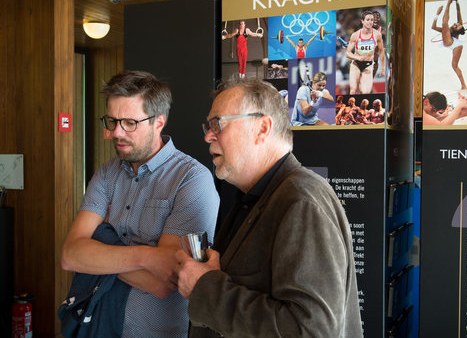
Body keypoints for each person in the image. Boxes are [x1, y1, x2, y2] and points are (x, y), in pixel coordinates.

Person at [175, 77, 363, 337]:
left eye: (217, 123)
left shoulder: (301, 201)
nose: (208, 136)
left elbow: (309, 331)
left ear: (262, 128)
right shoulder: (256, 197)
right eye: (208, 126)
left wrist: (205, 287)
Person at [61, 70, 219, 337]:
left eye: (130, 123)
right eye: (112, 121)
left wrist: (100, 248)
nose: (116, 133)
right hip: (96, 325)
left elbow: (162, 280)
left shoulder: (191, 179)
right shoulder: (107, 172)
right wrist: (147, 255)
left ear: (159, 122)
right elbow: (71, 255)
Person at [431, 0, 467, 90]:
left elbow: (445, 20)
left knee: (454, 65)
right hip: (450, 40)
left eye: (456, 26)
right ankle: (463, 85)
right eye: (456, 24)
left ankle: (463, 85)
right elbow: (433, 27)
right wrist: (457, 3)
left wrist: (448, 3)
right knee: (454, 66)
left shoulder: (447, 30)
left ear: (456, 31)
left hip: (455, 44)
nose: (455, 24)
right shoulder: (450, 30)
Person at [346, 10, 386, 94]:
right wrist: (358, 57)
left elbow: (382, 51)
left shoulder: (377, 35)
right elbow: (348, 53)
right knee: (353, 90)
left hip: (368, 65)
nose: (370, 22)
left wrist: (383, 68)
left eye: (372, 20)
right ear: (362, 21)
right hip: (356, 64)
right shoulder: (355, 35)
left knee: (365, 92)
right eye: (367, 20)